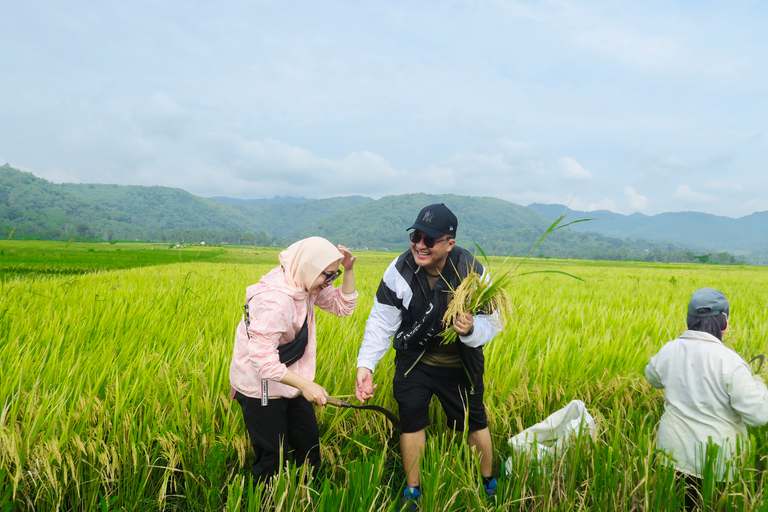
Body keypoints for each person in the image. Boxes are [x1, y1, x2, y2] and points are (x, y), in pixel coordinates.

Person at [353, 203, 501, 508]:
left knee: (474, 422)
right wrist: (366, 364)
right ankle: (413, 491)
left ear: (450, 243)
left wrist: (471, 329)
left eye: (429, 239)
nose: (420, 244)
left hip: (459, 363)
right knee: (411, 421)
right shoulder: (400, 269)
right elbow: (382, 320)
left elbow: (494, 322)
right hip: (415, 360)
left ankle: (487, 483)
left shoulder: (472, 272)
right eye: (416, 236)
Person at [229, 236, 358, 483]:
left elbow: (343, 306)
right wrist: (306, 385)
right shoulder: (275, 300)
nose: (330, 282)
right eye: (327, 275)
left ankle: (306, 497)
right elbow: (263, 361)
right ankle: (265, 503)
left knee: (308, 447)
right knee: (272, 458)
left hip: (289, 379)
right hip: (261, 386)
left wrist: (349, 269)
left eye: (335, 275)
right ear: (309, 266)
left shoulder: (303, 282)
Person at [645, 287, 768, 510]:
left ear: (689, 319)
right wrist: (759, 385)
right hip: (715, 464)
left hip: (672, 455)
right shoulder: (730, 361)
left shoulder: (668, 350)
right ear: (725, 323)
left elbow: (652, 378)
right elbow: (759, 415)